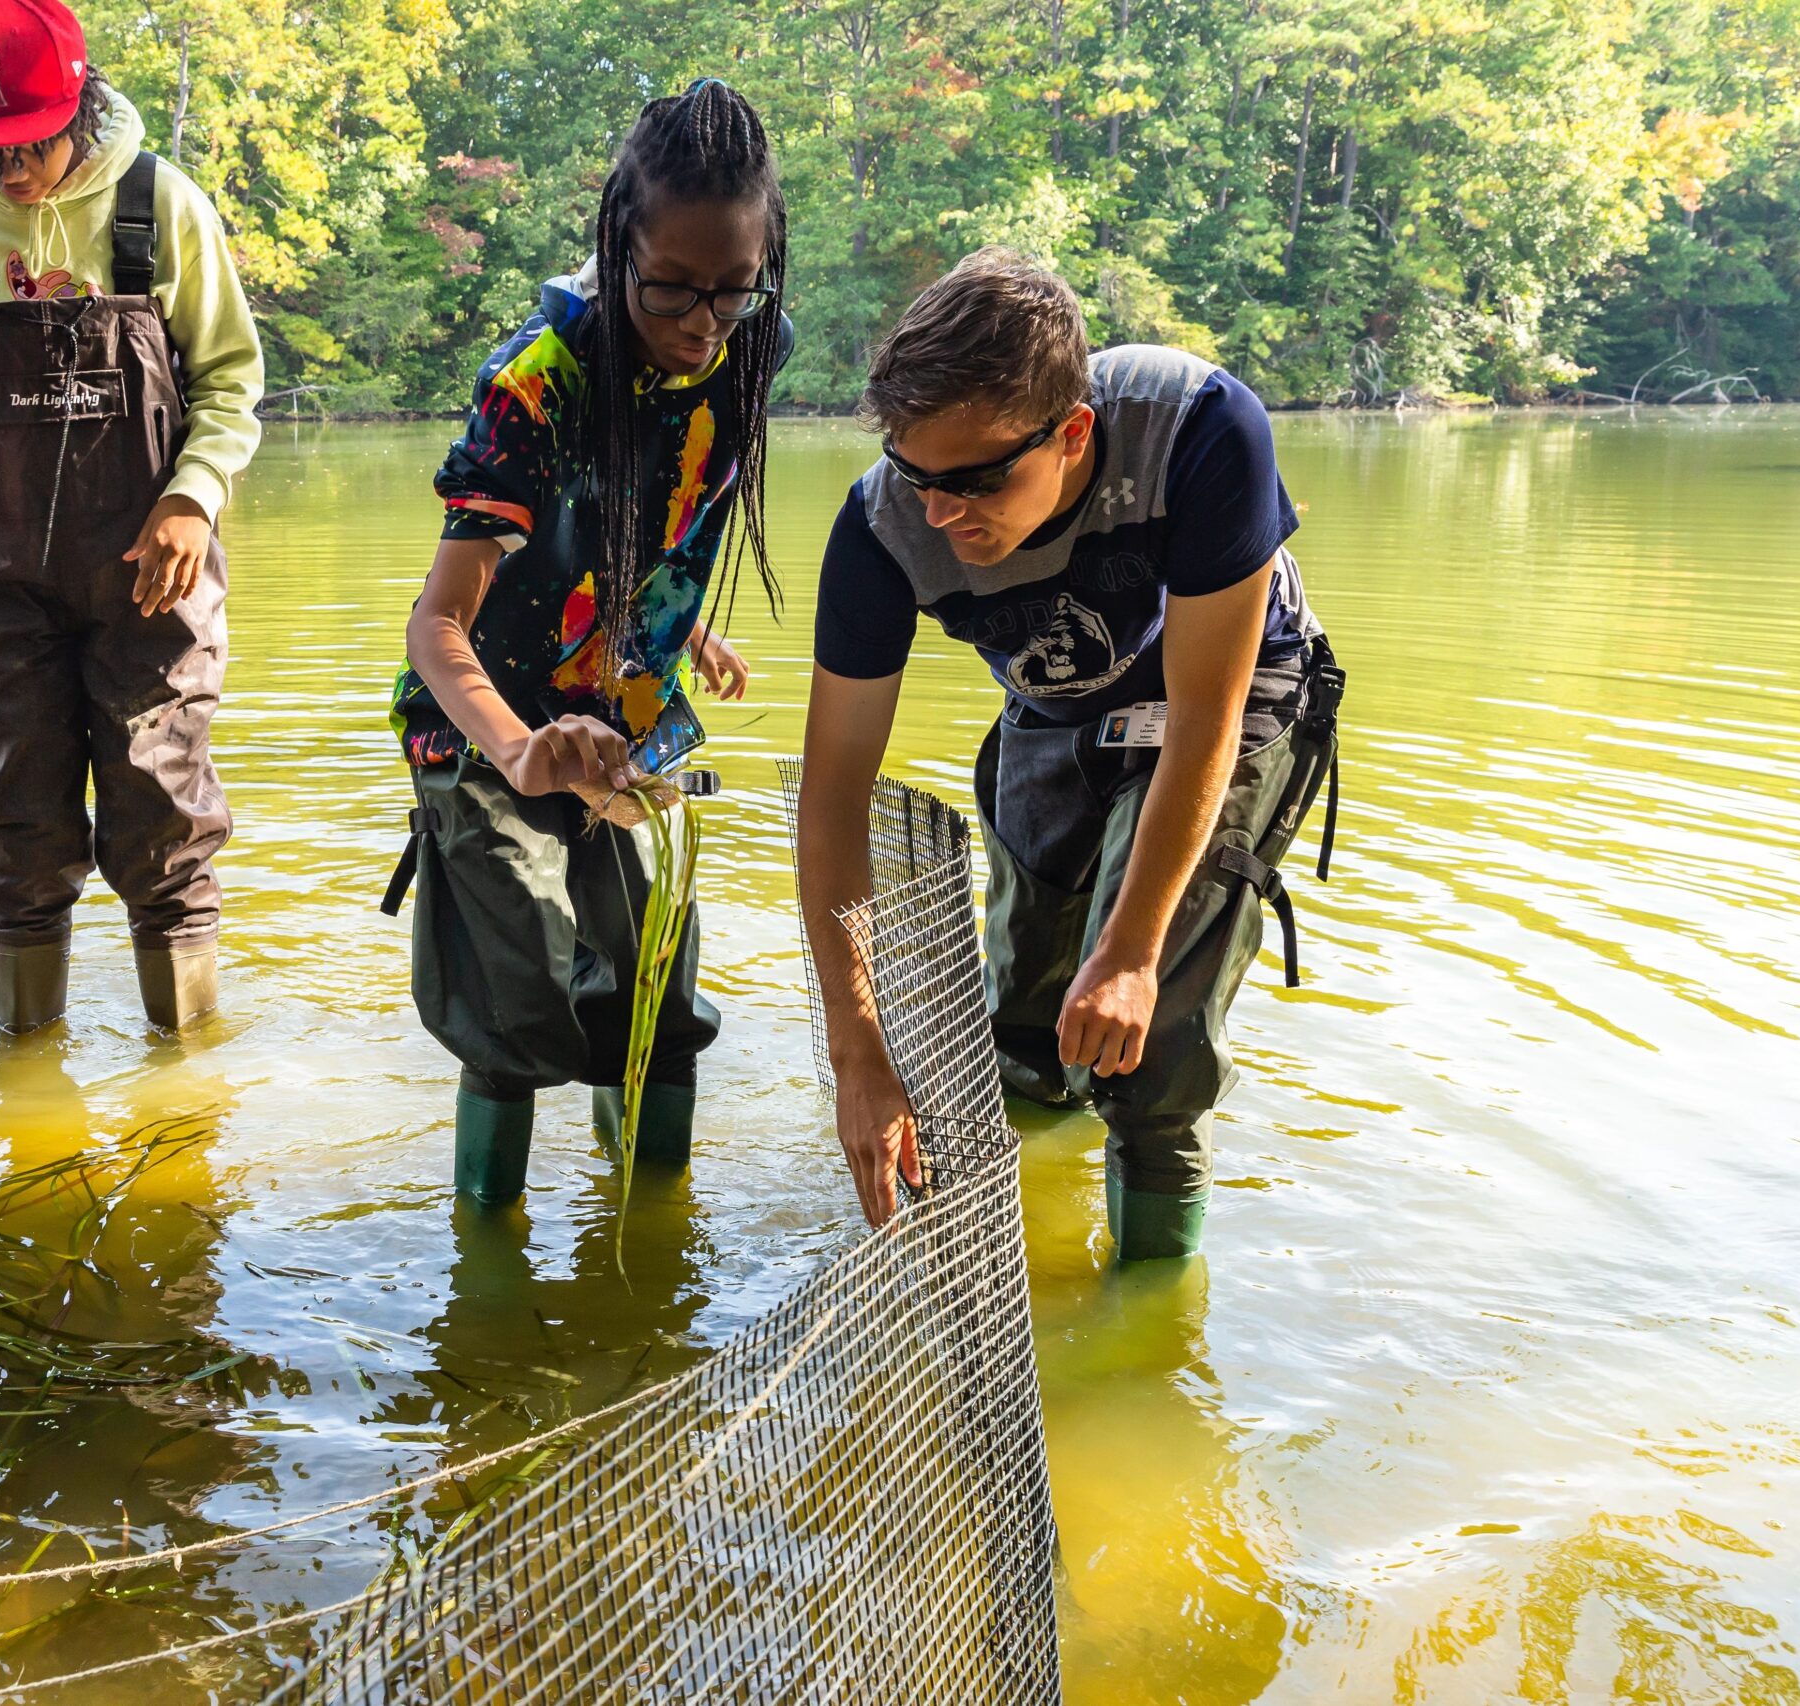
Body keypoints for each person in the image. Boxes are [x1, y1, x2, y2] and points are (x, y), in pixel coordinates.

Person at [795, 250, 1342, 1260]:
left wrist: (1133, 952)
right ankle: (1033, 1211)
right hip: (1052, 697)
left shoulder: (1201, 430)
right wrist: (856, 1047)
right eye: (917, 477)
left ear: (1073, 432)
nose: (941, 516)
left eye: (975, 482)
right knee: (1038, 1023)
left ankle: (1142, 1330)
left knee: (1148, 1039)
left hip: (1232, 685)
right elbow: (832, 796)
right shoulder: (880, 530)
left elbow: (1203, 714)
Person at [387, 79, 791, 1203]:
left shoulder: (755, 347)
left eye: (732, 293)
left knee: (657, 972)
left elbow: (660, 502)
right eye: (669, 291)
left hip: (625, 710)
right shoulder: (537, 382)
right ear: (617, 246)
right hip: (486, 722)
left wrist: (676, 620)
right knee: (521, 989)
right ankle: (490, 1252)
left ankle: (650, 1241)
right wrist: (519, 748)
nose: (701, 326)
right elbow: (438, 624)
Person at [0, 0, 264, 1035]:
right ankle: (27, 1073)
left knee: (163, 826)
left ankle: (187, 1086)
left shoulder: (159, 202)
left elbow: (227, 382)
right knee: (18, 835)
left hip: (150, 575)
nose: (4, 168)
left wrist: (191, 496)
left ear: (77, 98)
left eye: (26, 140)